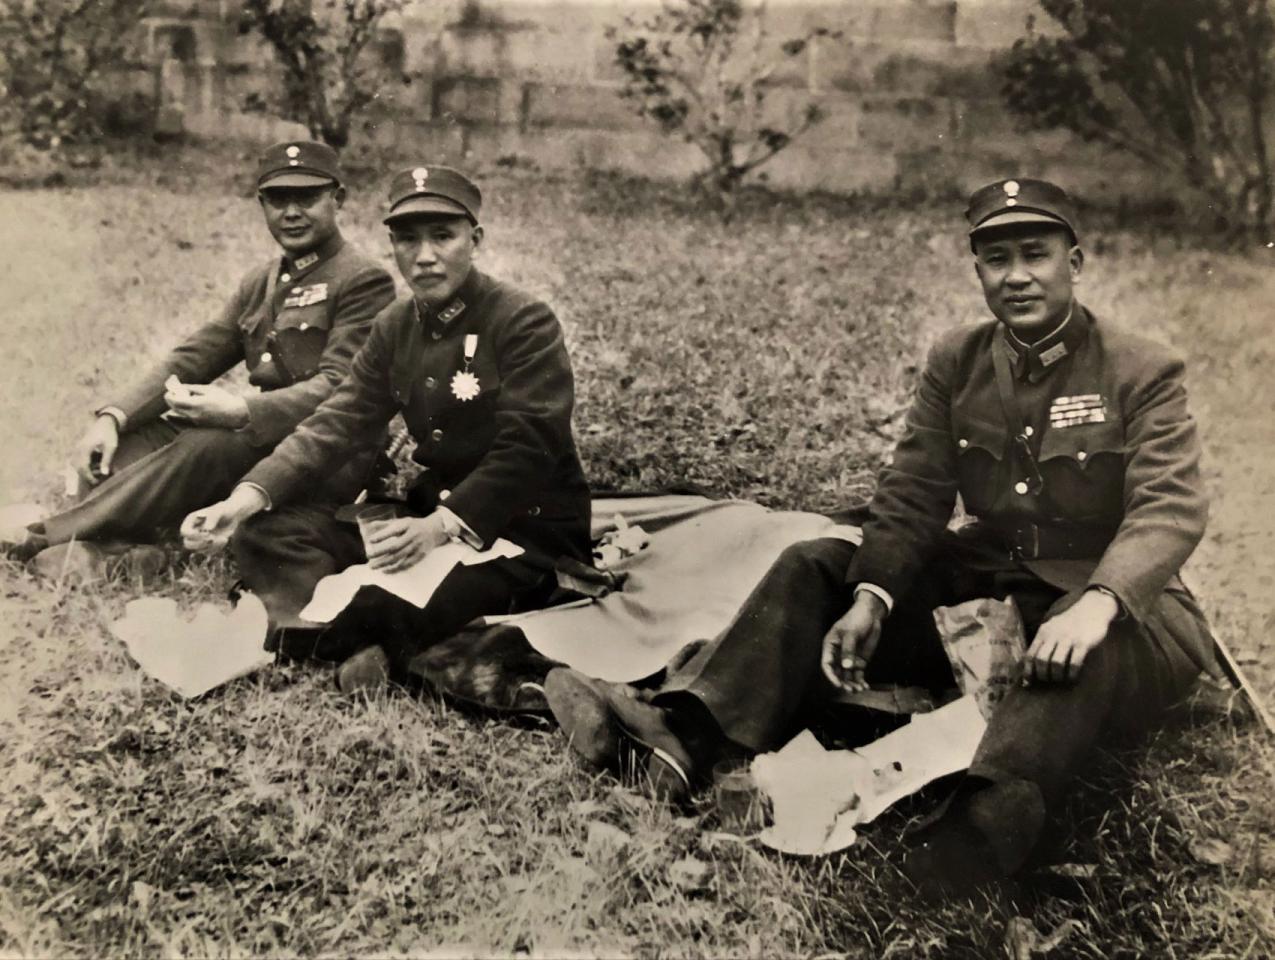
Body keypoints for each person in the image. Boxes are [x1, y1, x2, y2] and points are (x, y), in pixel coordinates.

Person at [547, 178, 1218, 898]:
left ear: (1075, 262)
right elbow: (913, 491)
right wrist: (873, 594)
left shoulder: (1140, 368)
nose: (1016, 275)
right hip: (989, 591)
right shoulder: (958, 360)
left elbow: (1168, 507)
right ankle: (686, 737)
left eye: (1035, 254)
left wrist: (1101, 601)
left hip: (1114, 613)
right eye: (996, 259)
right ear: (977, 273)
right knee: (819, 563)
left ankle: (982, 824)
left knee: (1073, 647)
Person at [180, 164, 592, 694]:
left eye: (443, 237)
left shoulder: (522, 320)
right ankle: (354, 634)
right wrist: (240, 500)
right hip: (425, 517)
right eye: (407, 240)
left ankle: (332, 632)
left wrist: (438, 528)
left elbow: (529, 448)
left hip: (521, 529)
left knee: (387, 600)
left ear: (476, 240)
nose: (425, 257)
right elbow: (336, 421)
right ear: (392, 246)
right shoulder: (395, 325)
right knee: (268, 531)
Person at [1, 141, 396, 575]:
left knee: (208, 442)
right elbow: (195, 354)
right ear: (262, 204)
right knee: (131, 445)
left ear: (337, 199)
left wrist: (242, 408)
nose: (292, 213)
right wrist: (112, 417)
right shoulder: (261, 280)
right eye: (278, 200)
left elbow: (340, 387)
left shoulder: (362, 279)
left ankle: (41, 537)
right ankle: (141, 553)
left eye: (307, 198)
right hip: (256, 442)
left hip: (326, 455)